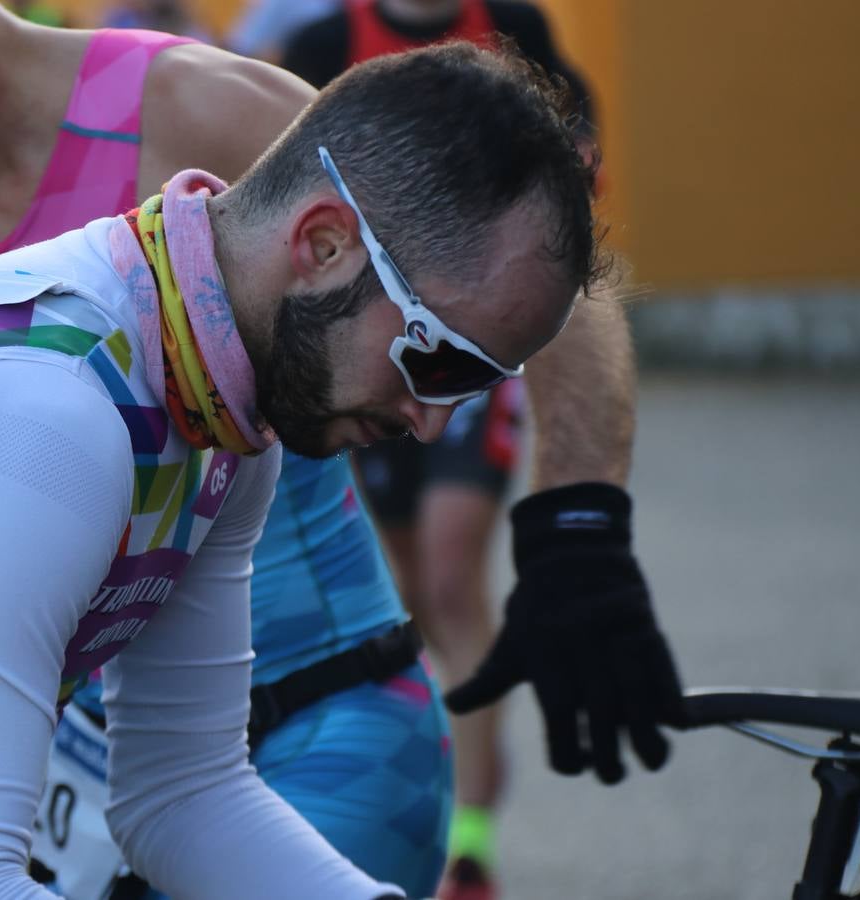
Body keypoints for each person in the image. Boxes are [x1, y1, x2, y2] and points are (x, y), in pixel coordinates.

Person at [0, 39, 669, 898]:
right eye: (437, 357)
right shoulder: (48, 423)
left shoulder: (213, 396)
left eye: (477, 384)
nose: (436, 422)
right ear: (325, 244)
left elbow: (181, 795)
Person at [281, 3, 598, 897]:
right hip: (367, 363)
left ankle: (471, 842)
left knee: (456, 583)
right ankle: (409, 803)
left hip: (472, 373)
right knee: (403, 599)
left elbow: (577, 193)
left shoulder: (510, 27)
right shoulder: (322, 45)